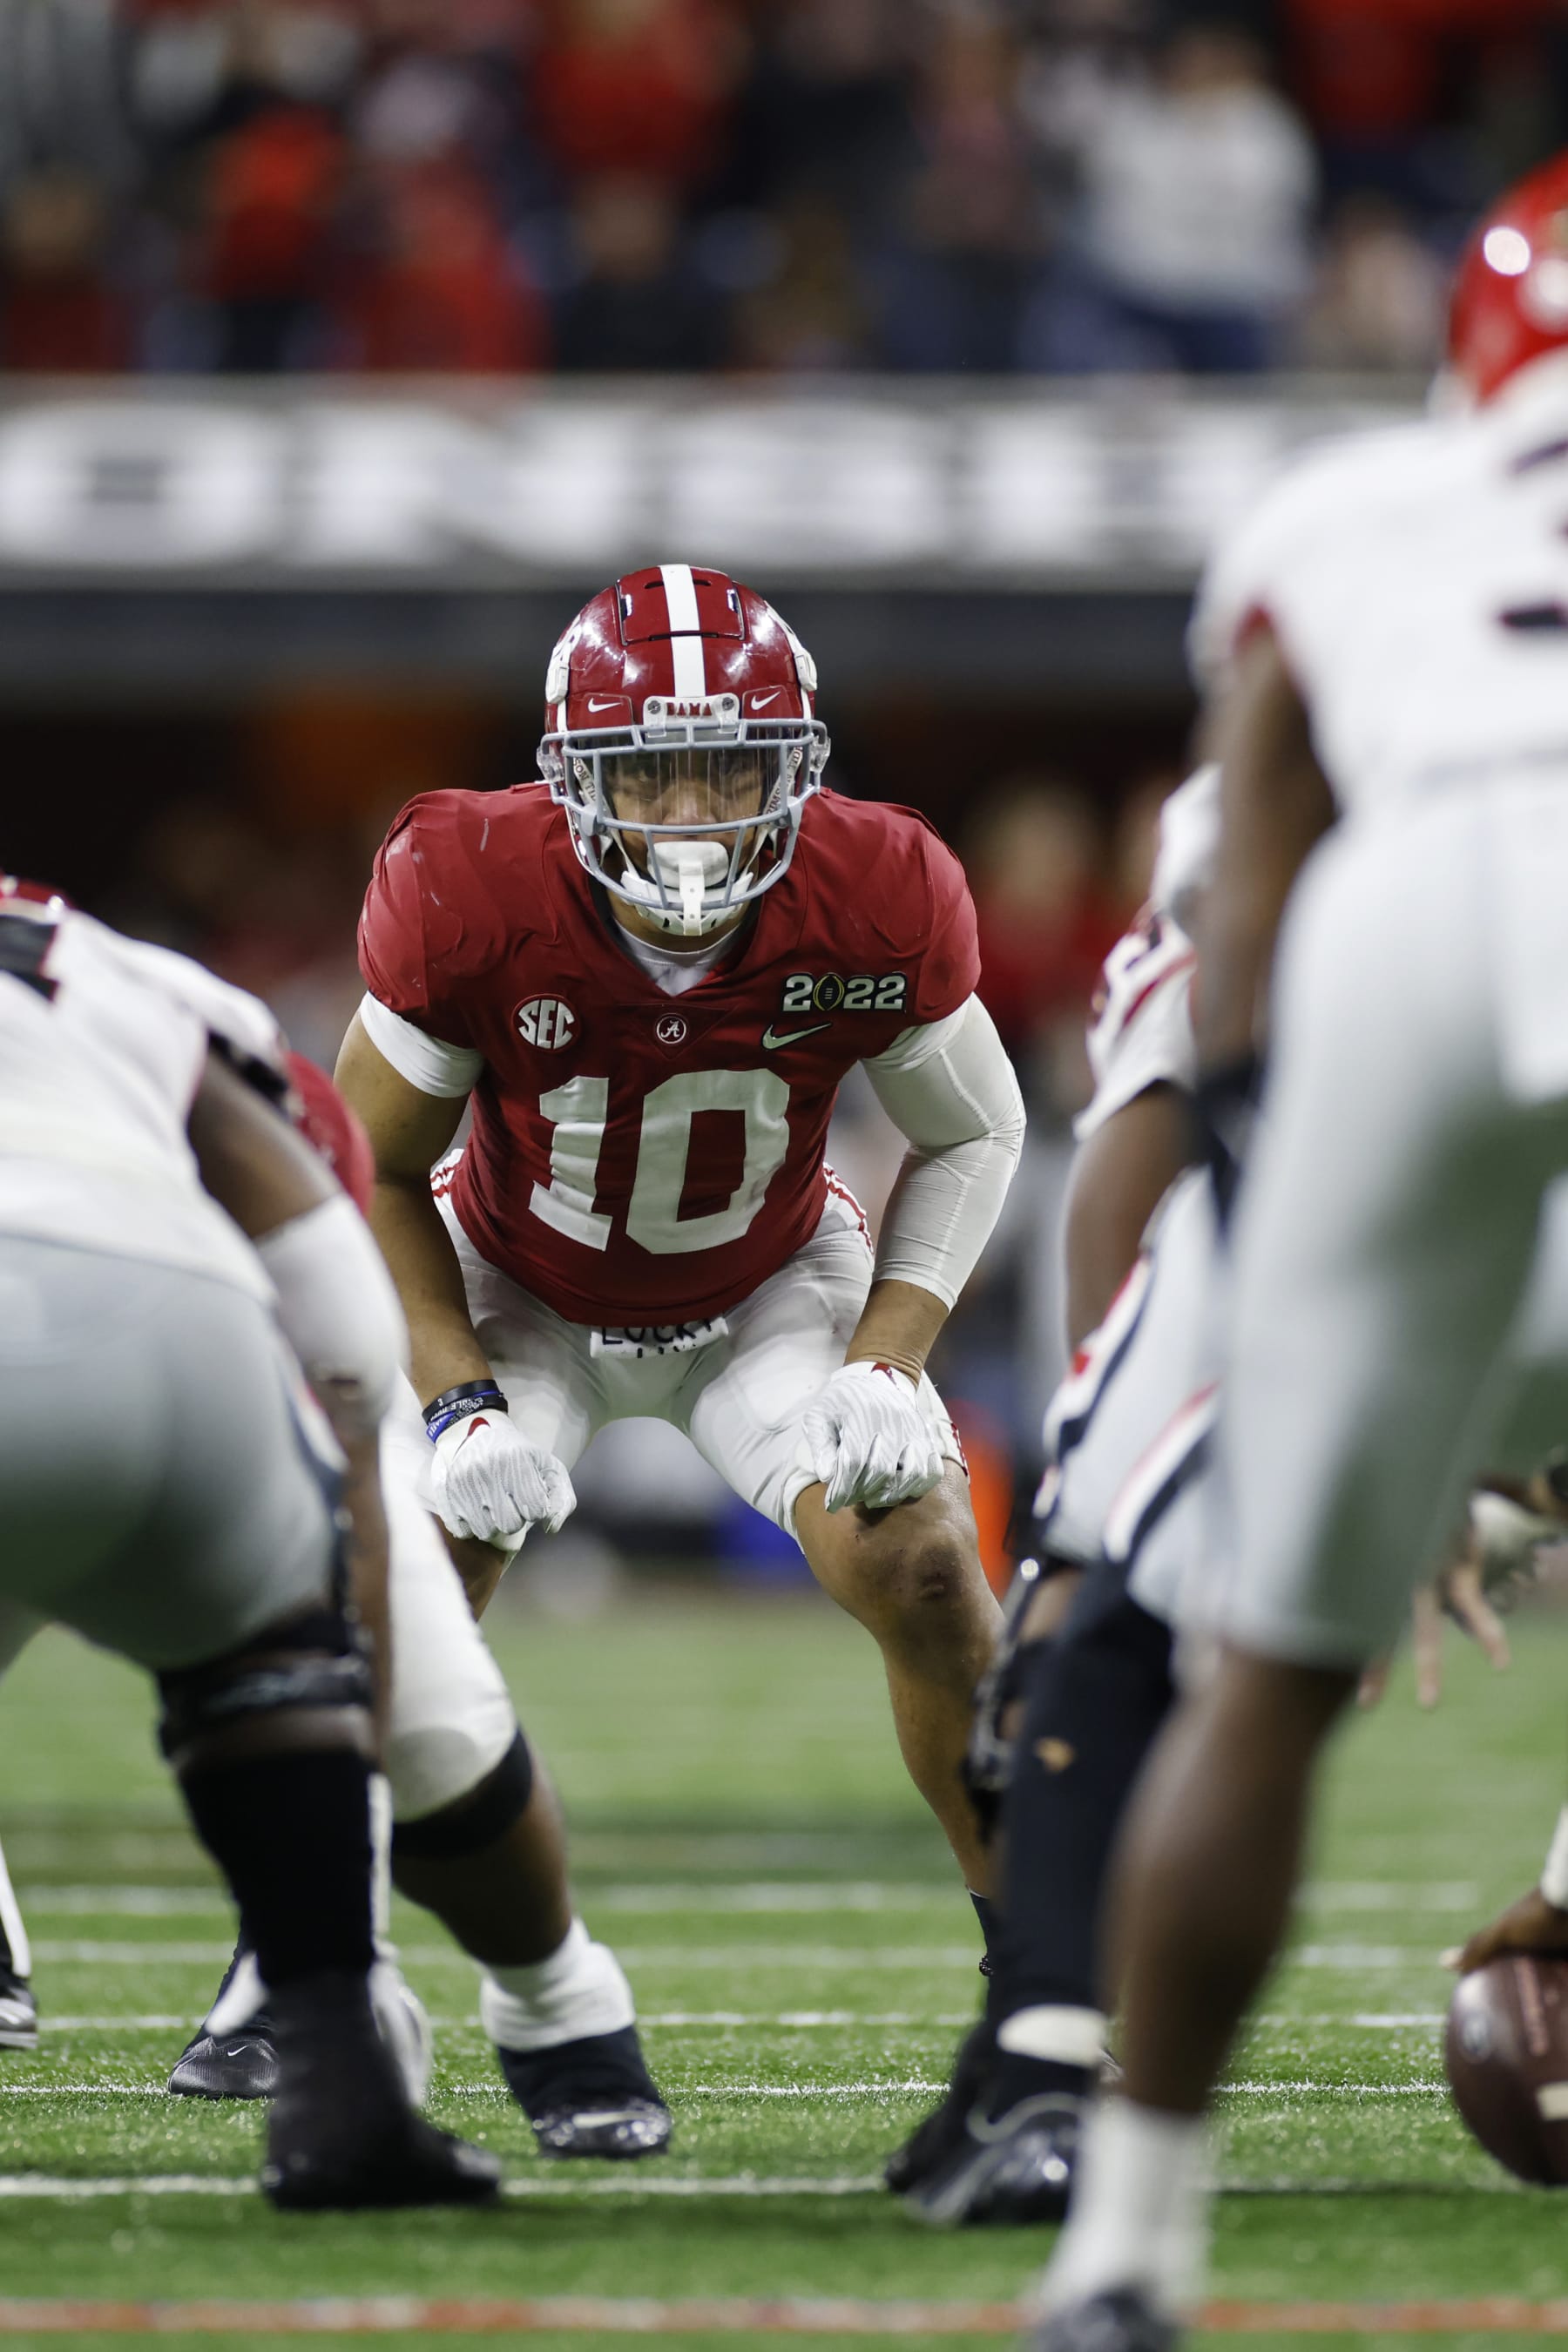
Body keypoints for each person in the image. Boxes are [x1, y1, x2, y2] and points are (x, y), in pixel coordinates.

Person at [1034, 152, 1568, 2350]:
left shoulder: (1355, 513)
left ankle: (1122, 2252)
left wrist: (1313, 1284)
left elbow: (1243, 894)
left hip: (1410, 905)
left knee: (1264, 1672)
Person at [335, 564, 1024, 1934]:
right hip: (515, 1279)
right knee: (401, 1590)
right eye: (650, 777)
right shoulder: (468, 881)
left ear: (799, 766)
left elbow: (976, 1133)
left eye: (730, 770)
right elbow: (374, 1168)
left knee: (932, 1565)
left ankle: (1044, 1981)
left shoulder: (878, 884)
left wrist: (889, 1365)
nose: (695, 817)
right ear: (572, 777)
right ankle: (285, 1968)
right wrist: (459, 1400)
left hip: (767, 1285)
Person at [0, 877, 494, 2208]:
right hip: (160, 1302)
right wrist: (339, 1504)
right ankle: (332, 2072)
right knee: (271, 1658)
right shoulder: (146, 988)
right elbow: (320, 1267)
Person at [165, 1051, 670, 2159]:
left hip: (155, 1352)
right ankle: (541, 2004)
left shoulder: (159, 1009)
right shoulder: (173, 1010)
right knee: (396, 1703)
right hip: (166, 1358)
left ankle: (521, 2001)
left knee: (400, 1702)